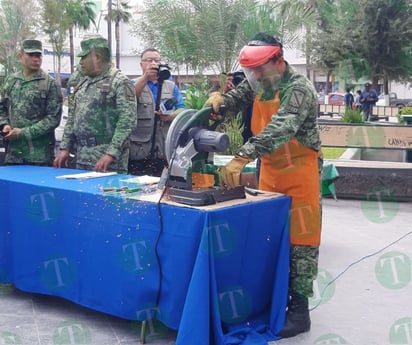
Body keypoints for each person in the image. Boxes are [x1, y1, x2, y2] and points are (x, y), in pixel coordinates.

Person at [205, 32, 322, 339]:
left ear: (278, 61)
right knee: (269, 240)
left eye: (259, 69)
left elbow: (281, 126)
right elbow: (236, 98)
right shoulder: (259, 82)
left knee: (301, 244)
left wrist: (242, 155)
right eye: (251, 71)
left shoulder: (300, 89)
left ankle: (299, 311)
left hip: (300, 174)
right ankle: (270, 301)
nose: (254, 76)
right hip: (270, 173)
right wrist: (218, 102)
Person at [53, 35, 136, 174]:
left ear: (96, 57)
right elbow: (72, 116)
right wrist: (65, 147)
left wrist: (111, 153)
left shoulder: (119, 82)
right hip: (82, 157)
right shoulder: (82, 82)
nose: (80, 63)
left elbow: (127, 121)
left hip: (107, 162)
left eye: (83, 58)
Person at [0, 39, 62, 166]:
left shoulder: (49, 84)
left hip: (39, 156)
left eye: (38, 55)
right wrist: (4, 124)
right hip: (14, 154)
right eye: (31, 55)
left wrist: (23, 133)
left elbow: (53, 119)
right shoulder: (11, 81)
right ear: (21, 55)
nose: (36, 59)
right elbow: (2, 107)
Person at [128, 48, 185, 177]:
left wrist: (170, 116)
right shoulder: (132, 83)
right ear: (141, 64)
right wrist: (146, 77)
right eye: (149, 60)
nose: (153, 63)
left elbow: (182, 108)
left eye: (157, 60)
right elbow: (130, 98)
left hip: (162, 150)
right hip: (138, 150)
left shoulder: (170, 86)